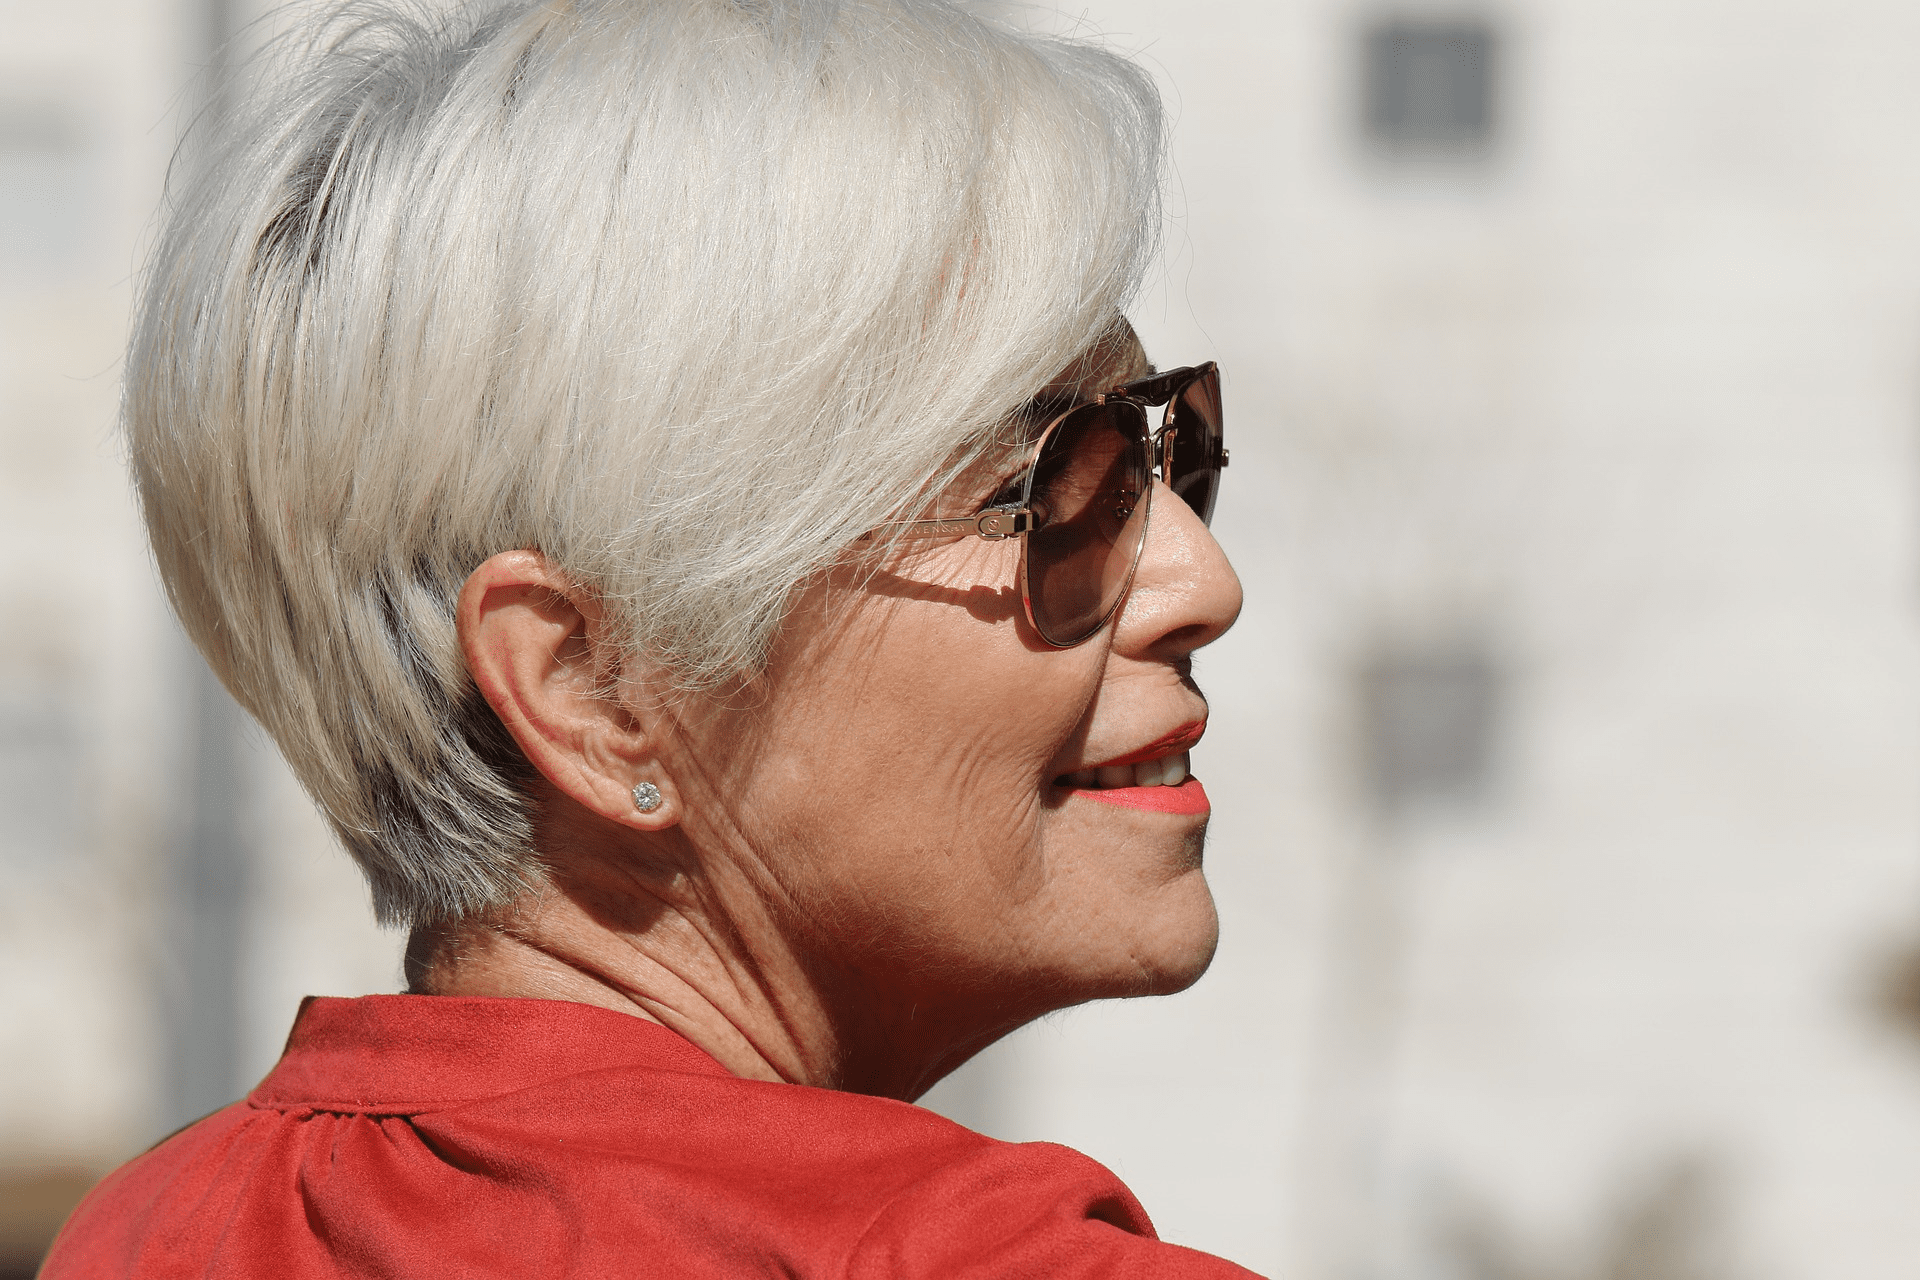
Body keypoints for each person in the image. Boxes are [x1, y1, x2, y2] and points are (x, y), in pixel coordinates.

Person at [45, 0, 1251, 1274]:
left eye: (1175, 450)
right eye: (1065, 484)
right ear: (591, 684)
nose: (1200, 578)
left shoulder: (145, 1230)